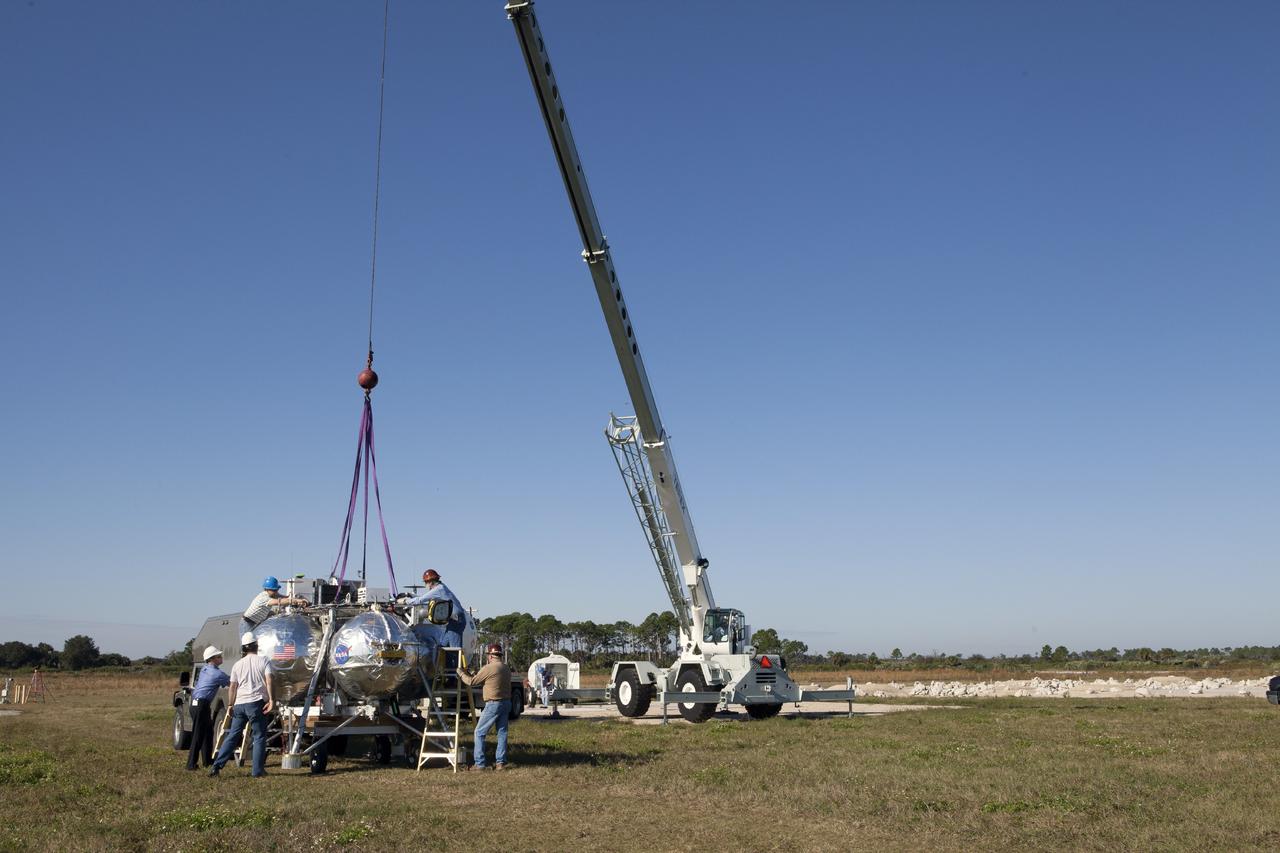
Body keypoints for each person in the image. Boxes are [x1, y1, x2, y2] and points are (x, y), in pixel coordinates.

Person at [209, 632, 274, 778]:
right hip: (256, 703)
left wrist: (231, 705)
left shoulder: (237, 665)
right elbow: (269, 680)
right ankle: (257, 771)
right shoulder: (264, 661)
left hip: (239, 704)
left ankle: (216, 766)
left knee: (233, 735)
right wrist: (271, 700)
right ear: (256, 646)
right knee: (259, 736)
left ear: (244, 649)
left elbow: (232, 687)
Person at [459, 642, 512, 770]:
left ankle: (480, 763)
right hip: (506, 703)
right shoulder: (506, 668)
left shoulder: (489, 668)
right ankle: (500, 763)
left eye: (488, 655)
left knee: (479, 732)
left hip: (493, 703)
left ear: (491, 656)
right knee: (502, 733)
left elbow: (471, 682)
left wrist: (460, 673)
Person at [186, 645, 230, 770]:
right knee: (198, 734)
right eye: (219, 656)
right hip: (201, 705)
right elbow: (232, 682)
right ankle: (191, 764)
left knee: (207, 732)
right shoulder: (216, 673)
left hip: (197, 704)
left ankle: (207, 760)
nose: (221, 658)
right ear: (212, 659)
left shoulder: (205, 669)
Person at [405, 569, 466, 648]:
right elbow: (430, 602)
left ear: (431, 582)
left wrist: (405, 601)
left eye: (426, 582)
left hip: (456, 621)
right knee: (442, 645)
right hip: (453, 620)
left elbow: (420, 600)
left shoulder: (438, 589)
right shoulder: (442, 587)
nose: (425, 585)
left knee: (454, 649)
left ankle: (455, 660)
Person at [240, 576, 308, 636]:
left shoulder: (268, 595)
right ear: (267, 589)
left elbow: (278, 596)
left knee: (252, 644)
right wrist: (296, 601)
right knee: (247, 645)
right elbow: (279, 601)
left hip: (253, 623)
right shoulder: (264, 597)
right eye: (274, 590)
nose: (276, 592)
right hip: (247, 623)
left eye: (277, 590)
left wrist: (288, 598)